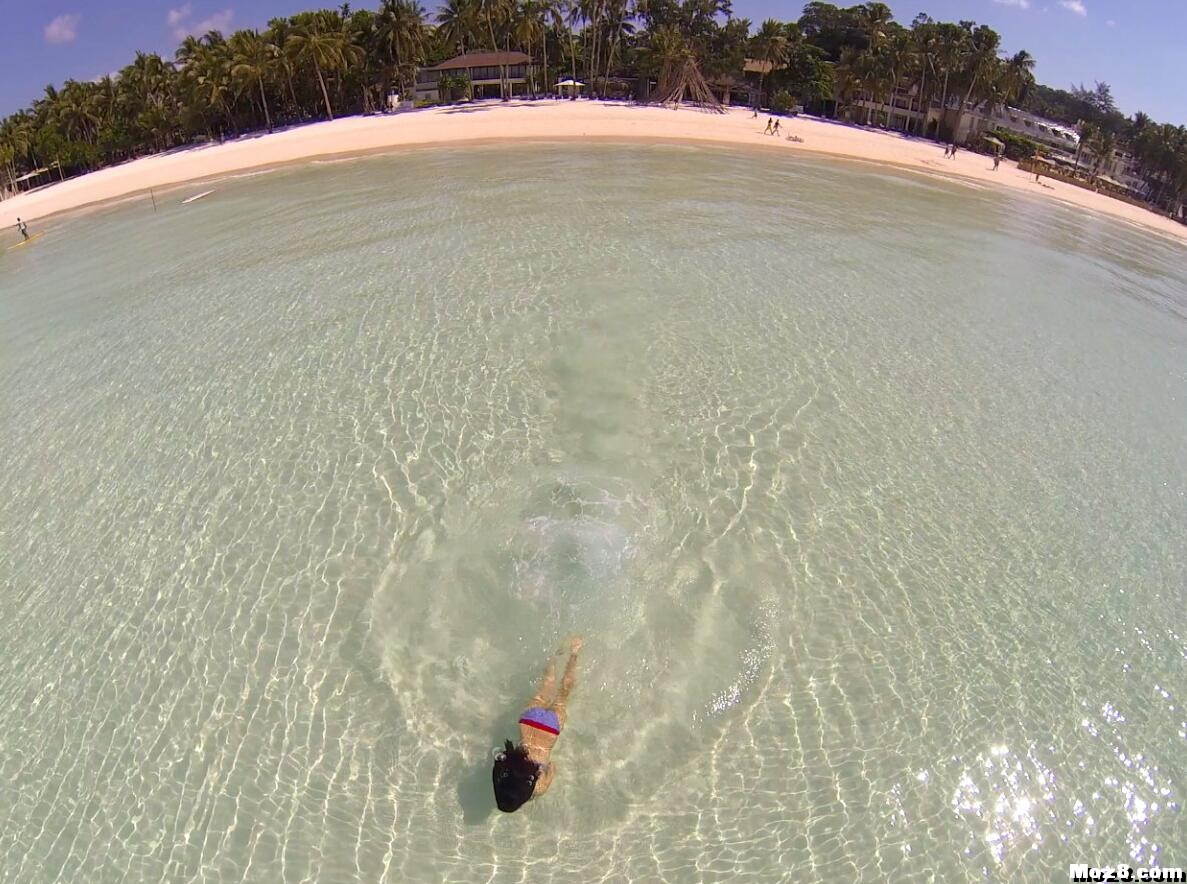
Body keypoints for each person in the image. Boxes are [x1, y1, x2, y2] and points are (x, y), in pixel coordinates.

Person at [492, 636, 583, 813]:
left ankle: (575, 653)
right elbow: (500, 755)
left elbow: (553, 767)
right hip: (529, 722)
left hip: (550, 730)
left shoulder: (538, 788)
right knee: (547, 683)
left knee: (563, 695)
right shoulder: (504, 769)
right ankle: (556, 654)